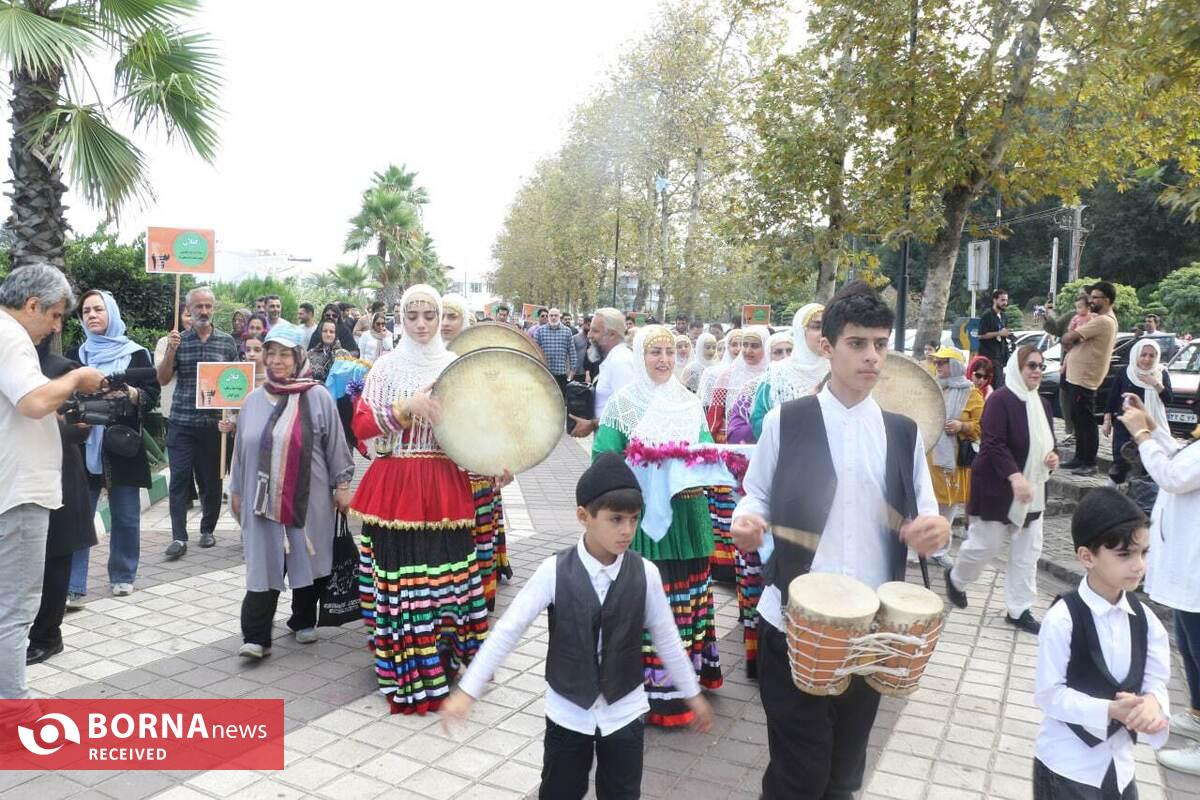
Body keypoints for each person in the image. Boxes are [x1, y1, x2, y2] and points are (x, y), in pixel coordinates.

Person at [730, 281, 947, 800]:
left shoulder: (903, 433)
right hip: (792, 622)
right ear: (827, 347)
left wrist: (931, 531)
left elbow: (927, 514)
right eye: (857, 343)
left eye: (880, 343)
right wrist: (746, 522)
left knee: (843, 777)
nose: (872, 356)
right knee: (797, 776)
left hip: (871, 631)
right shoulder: (787, 420)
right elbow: (755, 495)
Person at [441, 454, 714, 798]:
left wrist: (692, 694)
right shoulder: (553, 571)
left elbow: (667, 638)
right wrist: (468, 691)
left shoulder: (646, 573)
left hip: (625, 711)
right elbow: (509, 630)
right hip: (568, 713)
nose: (627, 530)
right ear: (584, 516)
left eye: (634, 518)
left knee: (622, 794)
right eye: (616, 519)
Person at [350, 284, 489, 714]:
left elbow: (475, 428)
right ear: (401, 319)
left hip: (445, 484)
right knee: (405, 584)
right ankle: (407, 667)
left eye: (430, 315)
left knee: (446, 583)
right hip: (397, 484)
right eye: (413, 316)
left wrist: (494, 459)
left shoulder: (454, 366)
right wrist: (406, 407)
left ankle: (442, 661)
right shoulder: (386, 367)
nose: (422, 324)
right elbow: (361, 425)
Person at [592, 325, 723, 725]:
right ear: (640, 356)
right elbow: (603, 459)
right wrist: (642, 472)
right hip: (644, 518)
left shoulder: (688, 401)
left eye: (669, 352)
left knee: (685, 596)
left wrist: (689, 462)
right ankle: (642, 688)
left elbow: (704, 452)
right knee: (648, 596)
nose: (664, 360)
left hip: (687, 515)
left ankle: (682, 682)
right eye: (655, 352)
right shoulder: (623, 404)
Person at [1033, 487, 1170, 799]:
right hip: (1066, 768)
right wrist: (1109, 710)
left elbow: (1156, 679)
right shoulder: (1063, 619)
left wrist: (1153, 704)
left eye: (1143, 553)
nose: (1138, 565)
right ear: (1087, 556)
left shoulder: (1146, 619)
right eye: (1125, 555)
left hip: (1120, 768)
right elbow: (1049, 694)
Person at [228, 324, 354, 658]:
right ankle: (256, 637)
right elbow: (240, 452)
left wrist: (342, 485)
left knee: (306, 554)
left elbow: (336, 445)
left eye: (284, 354)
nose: (276, 360)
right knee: (262, 563)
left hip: (308, 498)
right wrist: (236, 491)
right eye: (271, 353)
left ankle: (303, 618)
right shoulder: (253, 401)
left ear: (298, 357)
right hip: (260, 499)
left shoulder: (317, 396)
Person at [946, 345, 1059, 634]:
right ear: (1017, 368)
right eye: (1031, 365)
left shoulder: (1043, 404)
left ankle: (1019, 609)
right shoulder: (1000, 399)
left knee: (1028, 552)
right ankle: (957, 578)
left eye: (1041, 366)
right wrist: (1014, 477)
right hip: (997, 486)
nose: (1037, 371)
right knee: (985, 546)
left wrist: (1052, 457)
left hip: (1032, 492)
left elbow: (1048, 443)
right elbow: (993, 443)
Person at [1118, 393, 1200, 775]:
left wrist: (1141, 436)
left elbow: (1173, 476)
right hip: (1188, 566)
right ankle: (1197, 714)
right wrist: (1151, 425)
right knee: (1188, 643)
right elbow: (1183, 457)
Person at [70, 290, 160, 602]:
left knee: (125, 515)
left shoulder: (137, 354)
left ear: (112, 313)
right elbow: (64, 394)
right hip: (83, 445)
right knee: (79, 516)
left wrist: (132, 393)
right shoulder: (77, 354)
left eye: (98, 309)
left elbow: (151, 395)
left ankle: (123, 575)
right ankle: (73, 584)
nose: (92, 315)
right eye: (86, 311)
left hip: (122, 445)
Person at [27, 340, 99, 665]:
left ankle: (47, 636)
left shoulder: (62, 369)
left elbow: (81, 429)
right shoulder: (8, 365)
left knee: (55, 559)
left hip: (58, 476)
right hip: (15, 476)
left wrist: (48, 422)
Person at [157, 286, 240, 559]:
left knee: (211, 480)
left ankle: (207, 529)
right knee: (179, 478)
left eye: (208, 306)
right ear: (189, 310)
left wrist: (232, 419)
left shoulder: (226, 342)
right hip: (182, 422)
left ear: (213, 309)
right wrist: (171, 351)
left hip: (213, 425)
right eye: (198, 307)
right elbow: (163, 378)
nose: (204, 311)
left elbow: (236, 384)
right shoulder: (178, 341)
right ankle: (178, 537)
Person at [924, 347, 983, 568]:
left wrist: (962, 426)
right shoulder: (931, 388)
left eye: (943, 362)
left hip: (953, 459)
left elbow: (981, 426)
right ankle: (918, 548)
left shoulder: (972, 394)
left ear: (956, 366)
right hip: (927, 455)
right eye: (937, 362)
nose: (938, 366)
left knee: (947, 507)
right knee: (924, 502)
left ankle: (940, 550)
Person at [1061, 282, 1119, 476]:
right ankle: (1079, 458)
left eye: (1095, 297)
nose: (1091, 301)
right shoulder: (1102, 320)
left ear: (1107, 300)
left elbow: (1068, 338)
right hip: (1077, 375)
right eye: (1090, 297)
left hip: (1085, 377)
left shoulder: (1103, 321)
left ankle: (1089, 462)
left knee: (1086, 421)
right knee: (1078, 418)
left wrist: (1070, 341)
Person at [747, 304, 829, 441]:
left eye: (828, 327)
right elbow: (757, 424)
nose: (824, 333)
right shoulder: (777, 373)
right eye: (816, 327)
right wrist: (795, 416)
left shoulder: (839, 370)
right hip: (789, 451)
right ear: (801, 331)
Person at [1103, 339, 1172, 485]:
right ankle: (1112, 489)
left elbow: (1168, 399)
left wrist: (1155, 383)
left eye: (1152, 355)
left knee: (1147, 459)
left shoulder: (1161, 373)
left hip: (1150, 424)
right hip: (1126, 423)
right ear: (1136, 355)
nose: (1147, 359)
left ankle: (1140, 491)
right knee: (1121, 458)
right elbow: (1113, 397)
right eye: (1143, 355)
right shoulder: (1125, 372)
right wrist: (1107, 420)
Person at [569, 308, 636, 438]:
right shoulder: (613, 359)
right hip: (606, 439)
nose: (589, 335)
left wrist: (592, 424)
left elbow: (627, 413)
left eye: (595, 331)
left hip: (614, 444)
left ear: (612, 334)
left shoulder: (621, 362)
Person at [727, 329, 793, 445]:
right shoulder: (756, 387)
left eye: (790, 351)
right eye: (778, 352)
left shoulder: (804, 384)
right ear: (769, 355)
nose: (785, 357)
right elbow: (735, 435)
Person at [1043, 293, 1093, 444]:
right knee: (1065, 397)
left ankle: (1082, 435)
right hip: (1068, 362)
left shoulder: (1097, 319)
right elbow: (1055, 327)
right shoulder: (1072, 316)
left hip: (1086, 365)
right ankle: (1072, 430)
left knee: (1081, 402)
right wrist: (1048, 314)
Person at [708, 326, 768, 444]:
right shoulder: (728, 375)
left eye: (754, 346)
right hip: (733, 443)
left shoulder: (772, 376)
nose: (748, 350)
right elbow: (715, 417)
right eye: (745, 345)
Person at [533, 307, 578, 397]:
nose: (553, 317)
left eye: (556, 315)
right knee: (545, 398)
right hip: (545, 373)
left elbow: (572, 353)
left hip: (561, 374)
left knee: (560, 399)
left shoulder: (567, 331)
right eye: (551, 315)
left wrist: (572, 371)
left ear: (559, 317)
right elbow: (534, 351)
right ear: (548, 317)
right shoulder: (540, 331)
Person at [978, 289, 1014, 388]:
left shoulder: (1003, 316)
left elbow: (1002, 333)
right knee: (991, 386)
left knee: (999, 385)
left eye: (1006, 300)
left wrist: (1007, 334)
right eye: (1002, 300)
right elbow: (980, 335)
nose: (1005, 303)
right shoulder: (987, 315)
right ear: (995, 300)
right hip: (989, 357)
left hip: (1000, 358)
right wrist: (998, 333)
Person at [572, 314, 592, 383]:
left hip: (590, 372)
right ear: (583, 324)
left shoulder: (594, 339)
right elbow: (570, 355)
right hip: (577, 372)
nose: (590, 327)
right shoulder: (575, 338)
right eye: (588, 325)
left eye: (591, 326)